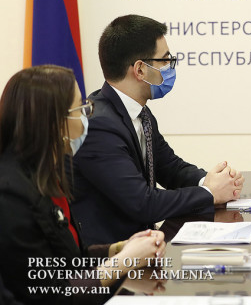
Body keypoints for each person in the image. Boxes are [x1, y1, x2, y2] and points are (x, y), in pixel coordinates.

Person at [72, 15, 244, 245]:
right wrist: (209, 193)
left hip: (143, 247)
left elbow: (170, 168)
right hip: (112, 257)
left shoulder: (141, 113)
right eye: (165, 60)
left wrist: (210, 181)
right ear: (140, 70)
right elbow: (143, 203)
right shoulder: (98, 126)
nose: (170, 66)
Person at [0, 65, 166, 304]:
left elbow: (69, 259)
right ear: (54, 122)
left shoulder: (44, 176)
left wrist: (121, 248)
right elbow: (51, 293)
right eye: (80, 108)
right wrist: (122, 263)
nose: (87, 116)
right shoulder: (10, 195)